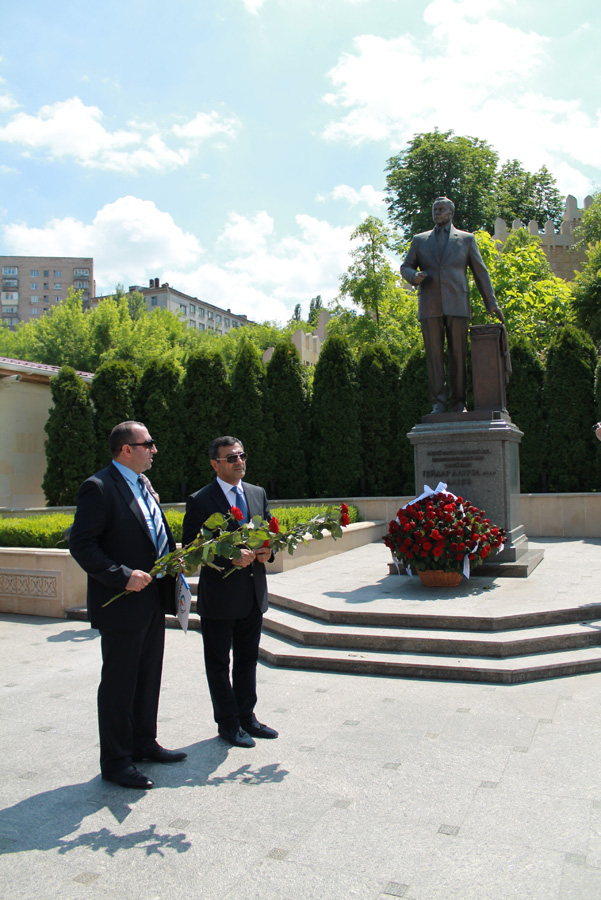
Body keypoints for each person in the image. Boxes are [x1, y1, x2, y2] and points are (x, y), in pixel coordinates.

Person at [69, 421, 187, 789]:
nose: (154, 450)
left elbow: (151, 535)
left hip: (152, 599)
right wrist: (121, 576)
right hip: (121, 604)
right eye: (148, 444)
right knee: (119, 684)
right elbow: (82, 545)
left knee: (149, 675)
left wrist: (173, 558)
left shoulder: (144, 484)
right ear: (126, 449)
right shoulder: (99, 487)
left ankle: (143, 743)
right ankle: (117, 762)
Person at [182, 436, 278, 748]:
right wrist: (229, 557)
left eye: (242, 456)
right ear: (215, 464)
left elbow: (269, 535)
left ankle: (247, 717)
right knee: (219, 664)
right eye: (231, 458)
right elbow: (191, 549)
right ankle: (228, 723)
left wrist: (269, 552)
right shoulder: (200, 500)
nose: (239, 462)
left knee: (248, 659)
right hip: (220, 599)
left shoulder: (256, 493)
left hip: (253, 594)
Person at [400, 196, 505, 414]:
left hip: (457, 304)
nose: (437, 213)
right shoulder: (420, 240)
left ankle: (459, 402)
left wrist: (491, 303)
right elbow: (406, 266)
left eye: (441, 209)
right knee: (434, 357)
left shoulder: (466, 239)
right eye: (435, 209)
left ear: (451, 213)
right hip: (429, 306)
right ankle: (438, 403)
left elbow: (480, 272)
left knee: (458, 355)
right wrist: (413, 276)